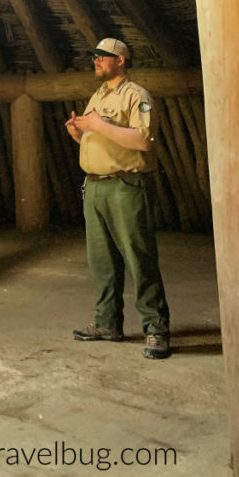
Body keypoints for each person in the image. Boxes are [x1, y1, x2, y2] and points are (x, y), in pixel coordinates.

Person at [65, 37, 171, 360]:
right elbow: (99, 136)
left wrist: (98, 124)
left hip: (125, 186)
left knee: (140, 258)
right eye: (94, 56)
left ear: (121, 60)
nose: (96, 60)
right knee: (102, 262)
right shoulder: (99, 95)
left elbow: (143, 141)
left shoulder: (136, 96)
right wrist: (79, 134)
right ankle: (108, 323)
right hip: (95, 187)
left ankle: (156, 329)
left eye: (102, 56)